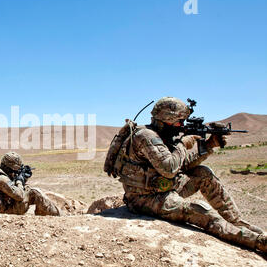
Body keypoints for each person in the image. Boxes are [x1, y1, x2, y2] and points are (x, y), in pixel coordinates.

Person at [104, 96, 266, 253]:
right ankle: (256, 241)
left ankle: (237, 224)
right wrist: (182, 145)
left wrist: (209, 145)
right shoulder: (146, 137)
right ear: (166, 119)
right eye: (179, 121)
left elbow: (182, 164)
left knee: (204, 173)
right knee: (200, 211)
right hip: (144, 199)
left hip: (164, 188)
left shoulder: (163, 135)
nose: (182, 125)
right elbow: (169, 169)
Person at [0, 152, 61, 216]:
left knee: (27, 188)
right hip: (6, 210)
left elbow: (11, 188)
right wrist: (20, 181)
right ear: (9, 168)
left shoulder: (1, 175)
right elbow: (19, 196)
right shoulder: (1, 179)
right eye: (15, 170)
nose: (15, 172)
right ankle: (55, 216)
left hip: (6, 205)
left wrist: (23, 178)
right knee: (35, 192)